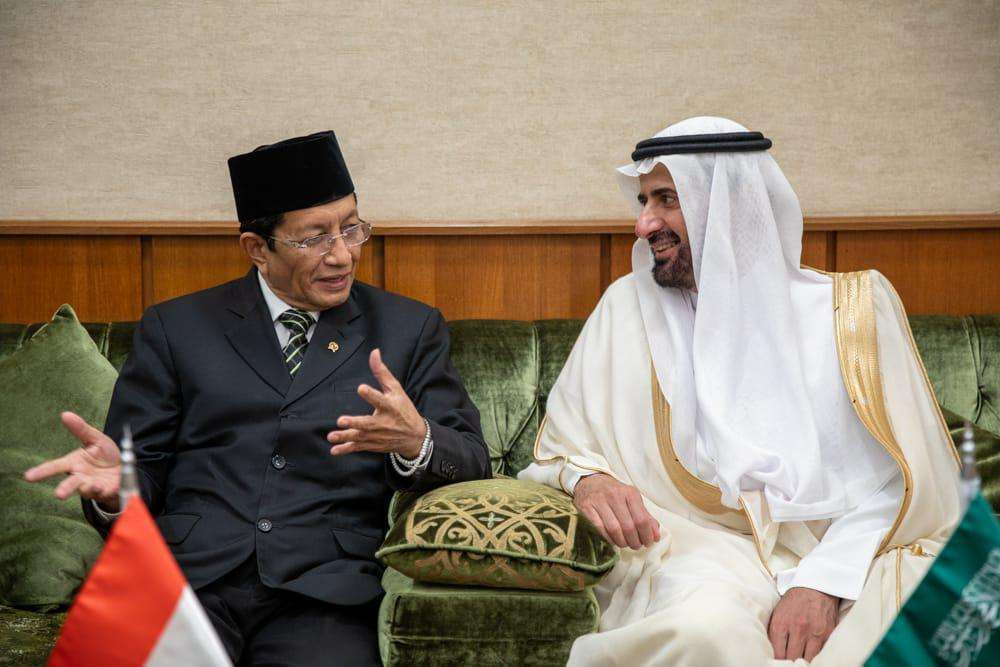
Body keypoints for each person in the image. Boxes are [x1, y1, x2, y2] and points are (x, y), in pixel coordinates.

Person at [25, 130, 491, 664]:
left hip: (325, 593)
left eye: (351, 228)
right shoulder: (177, 327)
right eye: (313, 238)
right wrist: (116, 488)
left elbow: (473, 457)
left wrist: (416, 441)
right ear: (257, 249)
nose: (342, 254)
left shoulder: (409, 328)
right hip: (187, 579)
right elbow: (141, 473)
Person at [518, 117, 961, 665]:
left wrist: (823, 584)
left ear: (724, 203)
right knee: (701, 633)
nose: (643, 224)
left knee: (907, 626)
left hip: (852, 551)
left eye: (666, 200)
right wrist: (588, 481)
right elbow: (563, 450)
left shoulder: (853, 316)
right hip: (701, 550)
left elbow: (906, 482)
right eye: (642, 201)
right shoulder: (625, 310)